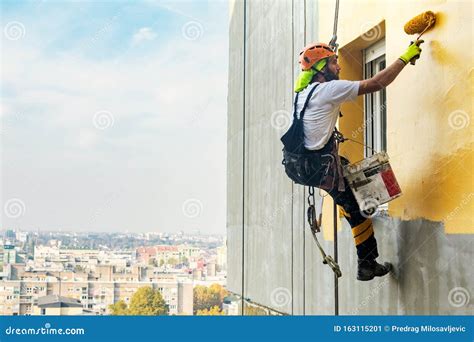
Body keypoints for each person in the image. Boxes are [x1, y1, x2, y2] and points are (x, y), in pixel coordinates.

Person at [293, 41, 423, 281]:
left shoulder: (304, 94)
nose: (339, 66)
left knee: (345, 173)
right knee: (358, 210)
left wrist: (330, 51)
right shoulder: (327, 91)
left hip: (306, 165)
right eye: (334, 62)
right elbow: (377, 83)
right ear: (321, 69)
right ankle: (367, 265)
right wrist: (405, 57)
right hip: (319, 167)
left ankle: (346, 203)